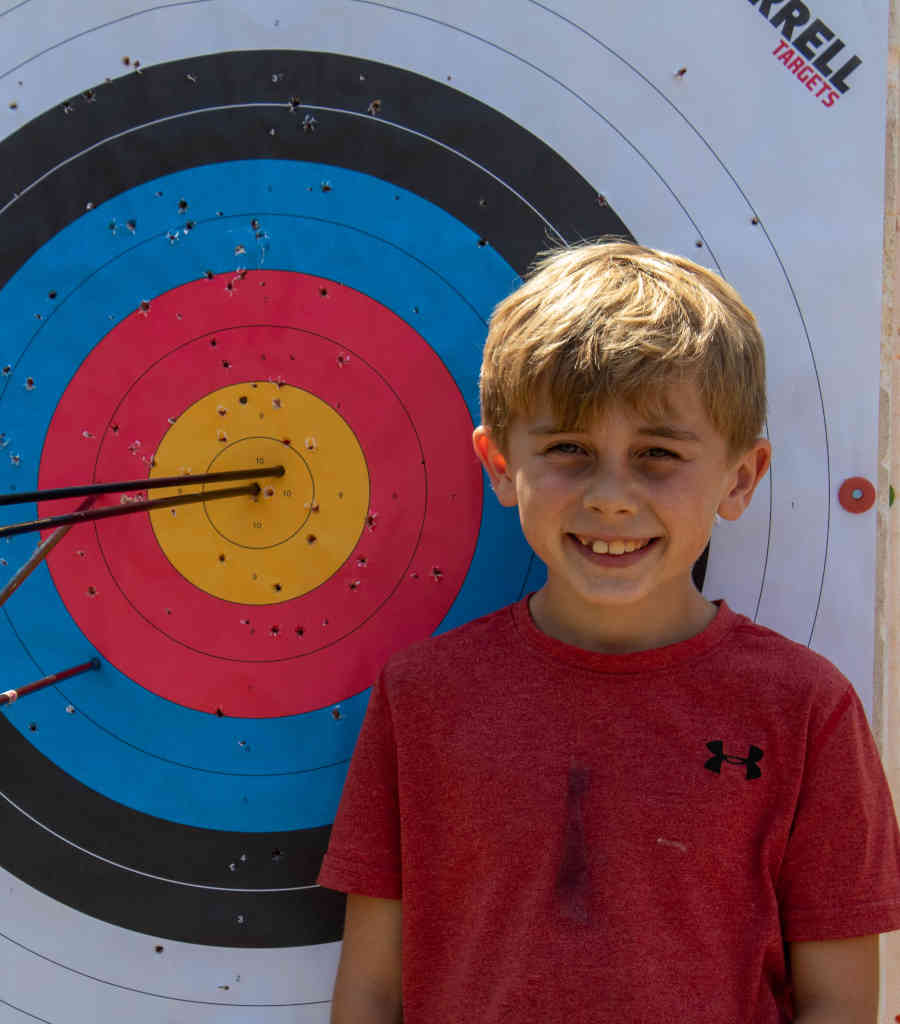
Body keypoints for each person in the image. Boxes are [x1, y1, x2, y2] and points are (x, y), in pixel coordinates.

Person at [318, 240, 900, 1023]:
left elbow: (838, 1002)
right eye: (569, 450)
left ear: (741, 478)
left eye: (658, 455)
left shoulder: (806, 710)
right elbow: (372, 991)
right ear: (497, 464)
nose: (612, 497)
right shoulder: (422, 697)